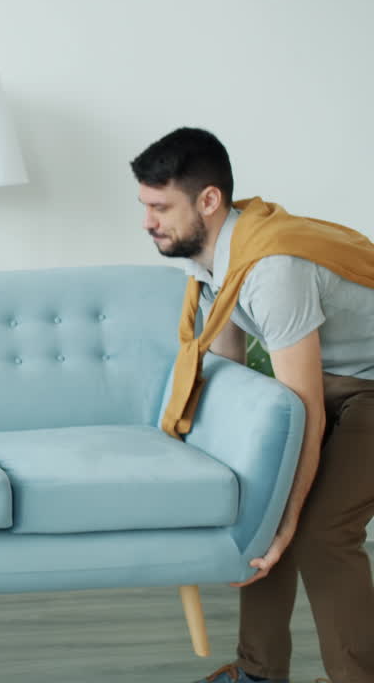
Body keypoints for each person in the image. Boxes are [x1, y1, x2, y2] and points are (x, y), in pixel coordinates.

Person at [132, 127, 374, 683]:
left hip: (364, 392)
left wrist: (288, 519)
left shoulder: (271, 270)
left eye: (160, 207)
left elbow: (306, 411)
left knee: (320, 533)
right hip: (334, 381)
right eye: (145, 205)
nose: (148, 222)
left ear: (209, 200)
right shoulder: (214, 255)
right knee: (266, 513)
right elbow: (232, 374)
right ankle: (259, 673)